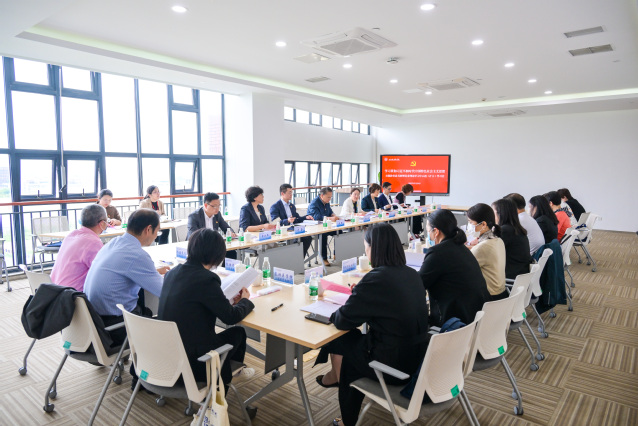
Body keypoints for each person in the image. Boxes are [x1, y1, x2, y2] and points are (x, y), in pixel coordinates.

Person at [315, 223, 429, 426]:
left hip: (394, 365)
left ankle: (347, 420)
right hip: (419, 358)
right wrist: (361, 293)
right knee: (346, 341)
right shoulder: (411, 274)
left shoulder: (376, 279)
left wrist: (351, 301)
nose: (365, 252)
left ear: (374, 248)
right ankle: (333, 377)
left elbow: (343, 321)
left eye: (366, 247)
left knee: (345, 350)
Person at [158, 228, 254, 386]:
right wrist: (245, 300)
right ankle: (223, 378)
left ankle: (227, 371)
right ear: (217, 255)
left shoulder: (172, 273)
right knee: (238, 332)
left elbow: (195, 303)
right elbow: (231, 317)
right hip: (195, 361)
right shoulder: (207, 279)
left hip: (168, 354)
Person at [84, 209, 170, 344]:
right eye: (157, 231)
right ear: (148, 229)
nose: (156, 236)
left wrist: (153, 272)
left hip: (94, 322)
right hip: (115, 328)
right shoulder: (136, 254)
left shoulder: (113, 243)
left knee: (146, 308)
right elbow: (165, 291)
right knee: (170, 323)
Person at [419, 209, 490, 327]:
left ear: (436, 231)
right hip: (476, 317)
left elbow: (419, 284)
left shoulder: (437, 253)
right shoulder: (462, 248)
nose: (428, 236)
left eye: (428, 231)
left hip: (454, 323)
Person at [50, 204, 107, 292]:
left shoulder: (71, 235)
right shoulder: (93, 242)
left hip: (54, 291)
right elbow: (103, 273)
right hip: (73, 296)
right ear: (102, 223)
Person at [466, 203, 508, 300]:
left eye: (470, 222)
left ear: (483, 224)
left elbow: (463, 268)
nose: (469, 226)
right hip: (500, 294)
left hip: (488, 297)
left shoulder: (482, 248)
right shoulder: (498, 240)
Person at [187, 192, 237, 259]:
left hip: (213, 245)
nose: (217, 209)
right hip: (198, 247)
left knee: (231, 253)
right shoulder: (194, 216)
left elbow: (226, 227)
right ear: (205, 205)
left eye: (219, 206)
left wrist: (230, 232)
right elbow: (193, 235)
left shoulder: (217, 214)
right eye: (214, 206)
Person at [492, 199, 532, 280]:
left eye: (493, 212)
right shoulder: (515, 228)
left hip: (510, 277)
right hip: (520, 273)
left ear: (501, 213)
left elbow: (490, 251)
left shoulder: (505, 231)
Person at [269, 183, 313, 256]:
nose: (291, 194)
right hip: (284, 231)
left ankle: (299, 259)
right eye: (289, 192)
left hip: (294, 229)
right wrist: (287, 220)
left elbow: (296, 219)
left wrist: (306, 217)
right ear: (282, 193)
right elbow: (276, 223)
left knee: (307, 237)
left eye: (291, 192)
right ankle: (295, 258)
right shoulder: (275, 207)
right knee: (299, 239)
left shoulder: (292, 206)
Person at [307, 187, 338, 266]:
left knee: (339, 231)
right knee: (323, 235)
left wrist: (334, 216)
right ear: (322, 196)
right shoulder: (314, 203)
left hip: (326, 225)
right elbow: (317, 217)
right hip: (315, 227)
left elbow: (330, 212)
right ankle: (324, 258)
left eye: (331, 197)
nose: (329, 199)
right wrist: (331, 218)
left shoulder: (326, 202)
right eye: (328, 197)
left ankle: (336, 253)